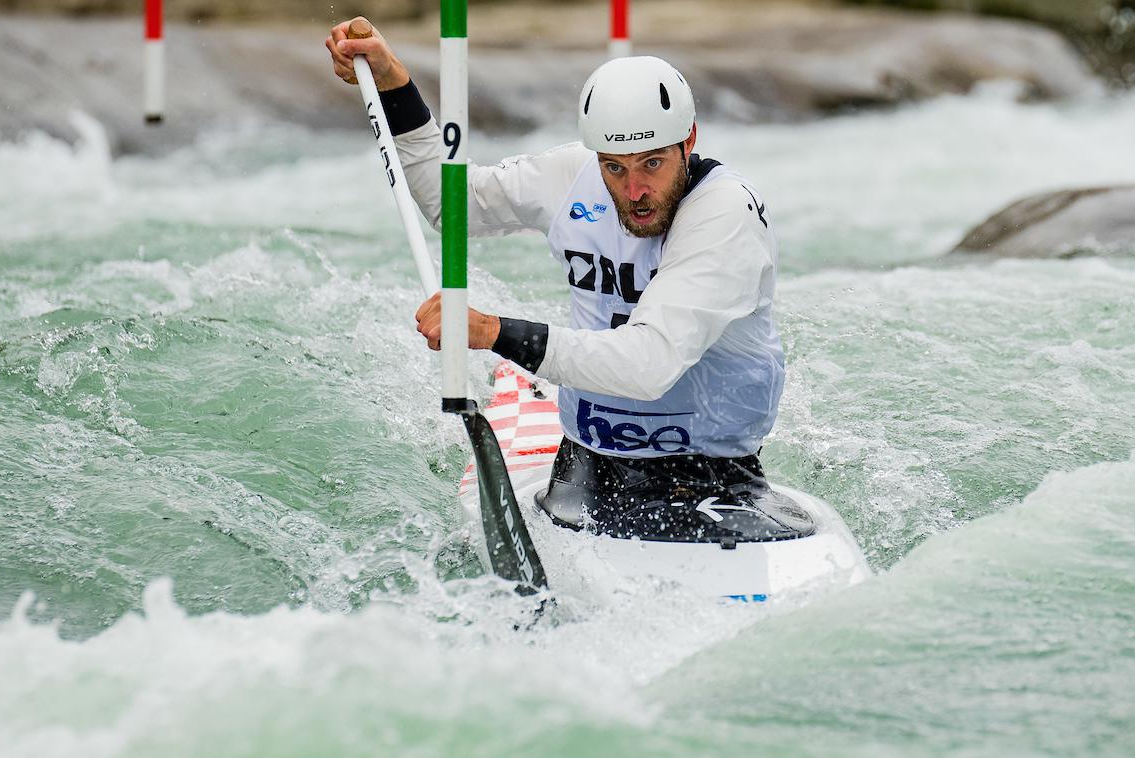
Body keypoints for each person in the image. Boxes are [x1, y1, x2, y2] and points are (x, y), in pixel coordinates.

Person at [327, 20, 806, 539]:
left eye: (652, 163)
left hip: (714, 475)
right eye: (615, 168)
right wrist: (395, 84)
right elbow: (451, 204)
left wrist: (491, 332)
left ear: (688, 141)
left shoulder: (726, 213)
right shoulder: (573, 176)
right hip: (588, 464)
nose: (635, 190)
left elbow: (649, 365)